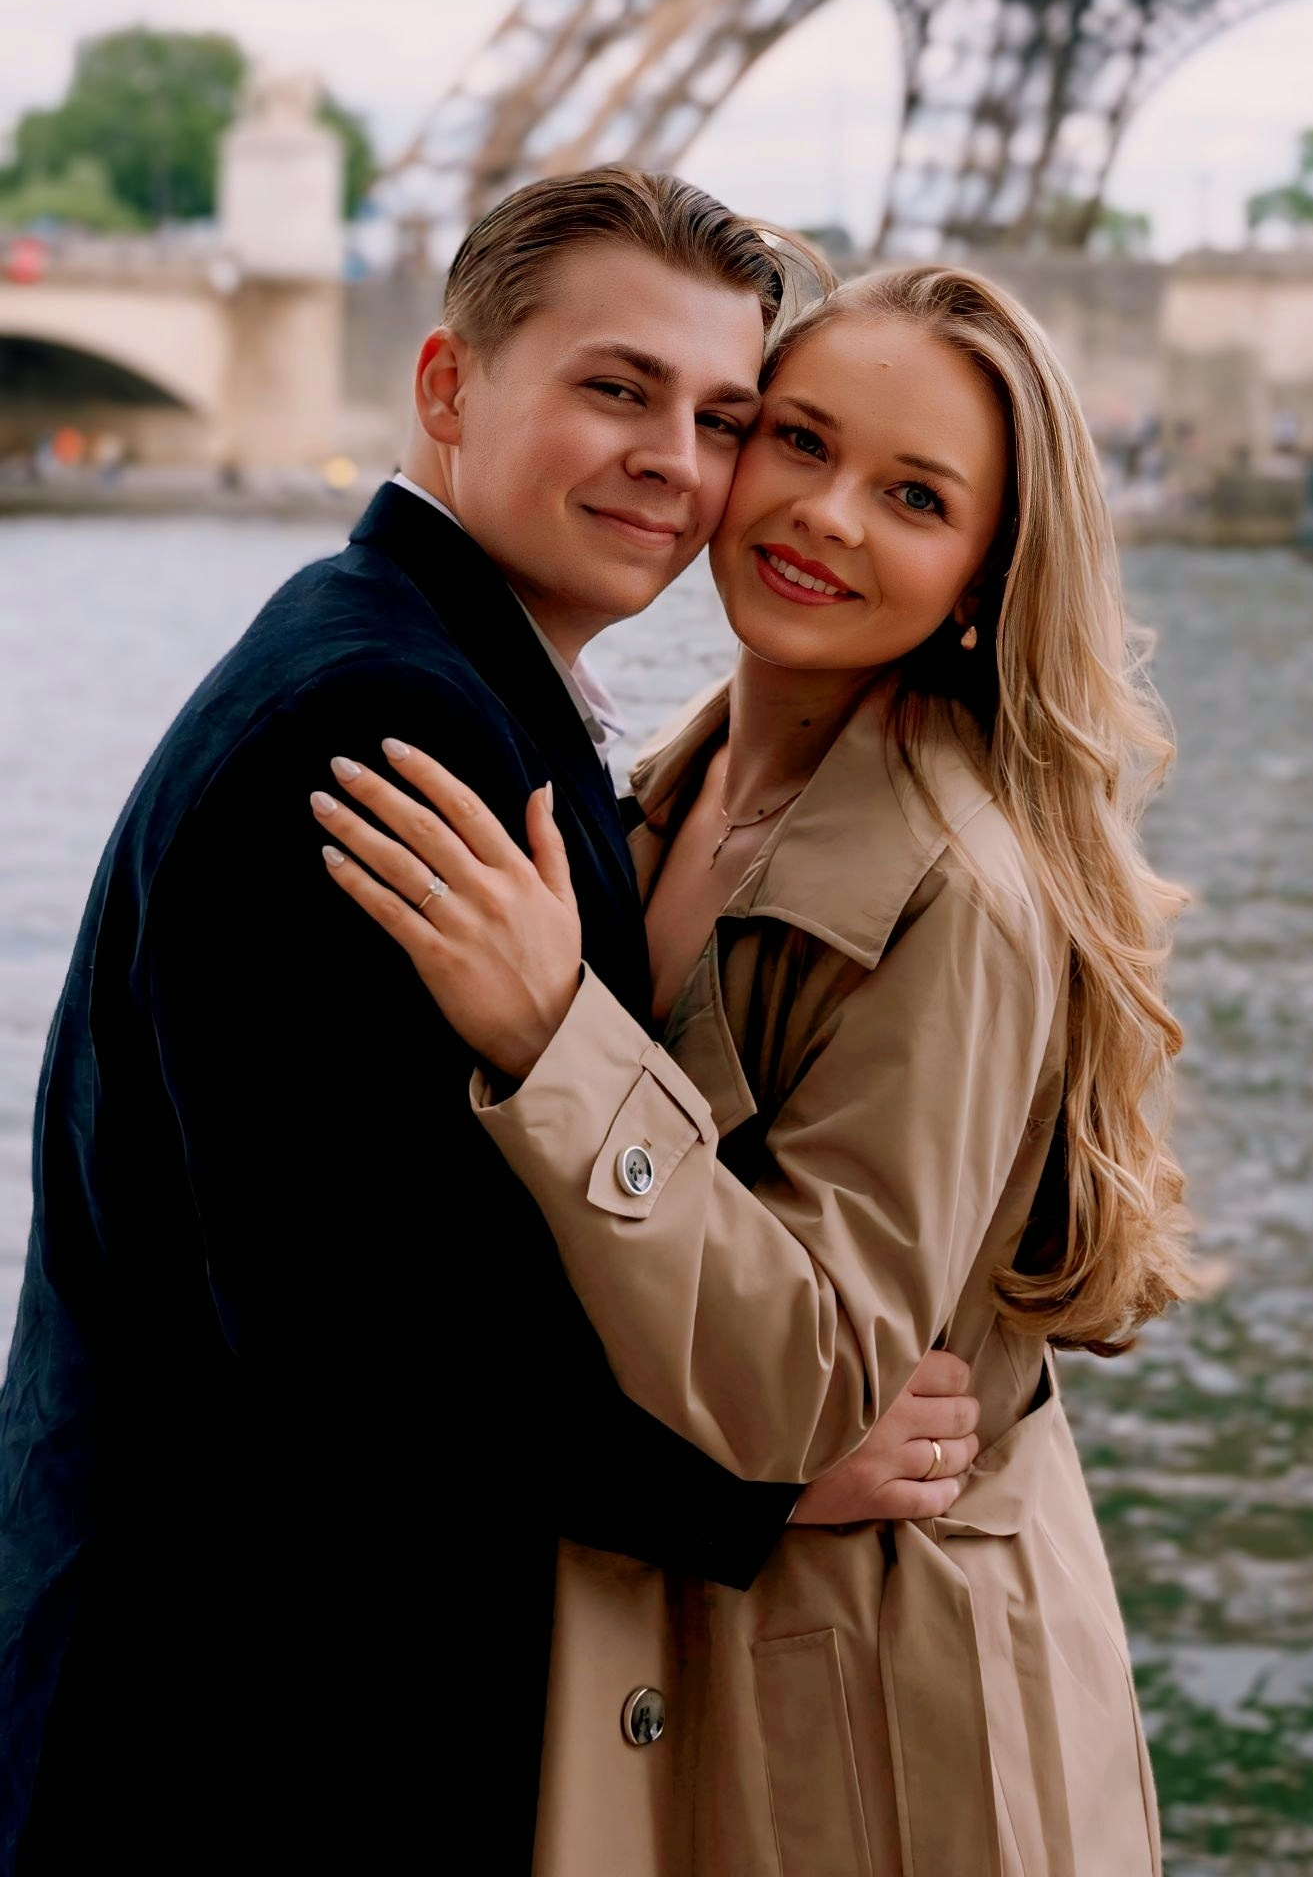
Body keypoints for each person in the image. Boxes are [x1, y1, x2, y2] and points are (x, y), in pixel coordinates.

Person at [0, 172, 973, 1877]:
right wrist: (757, 1488)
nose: (678, 458)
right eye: (617, 388)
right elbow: (338, 1331)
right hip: (249, 1747)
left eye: (723, 413)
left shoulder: (418, 659)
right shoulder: (393, 720)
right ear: (449, 389)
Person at [314, 259, 1193, 1875]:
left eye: (914, 495)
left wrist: (552, 1040)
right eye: (797, 441)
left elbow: (815, 1377)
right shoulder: (660, 791)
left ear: (985, 574)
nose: (827, 514)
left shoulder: (958, 890)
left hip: (893, 1698)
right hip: (742, 1647)